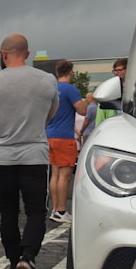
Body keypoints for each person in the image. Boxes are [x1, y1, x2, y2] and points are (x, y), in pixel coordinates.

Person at [0, 34, 59, 269]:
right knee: (36, 211)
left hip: (3, 158)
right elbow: (50, 114)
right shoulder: (47, 80)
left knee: (9, 213)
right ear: (27, 53)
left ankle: (14, 266)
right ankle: (28, 257)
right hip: (35, 155)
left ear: (3, 53)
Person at [46, 59, 86, 224]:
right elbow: (82, 110)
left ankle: (55, 209)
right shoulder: (70, 89)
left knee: (55, 174)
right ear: (71, 72)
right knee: (65, 175)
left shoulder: (51, 88)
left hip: (50, 134)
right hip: (64, 136)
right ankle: (61, 210)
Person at [94, 57, 127, 126]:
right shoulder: (109, 88)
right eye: (114, 71)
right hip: (112, 125)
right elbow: (101, 113)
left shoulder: (134, 88)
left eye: (119, 70)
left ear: (128, 70)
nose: (116, 73)